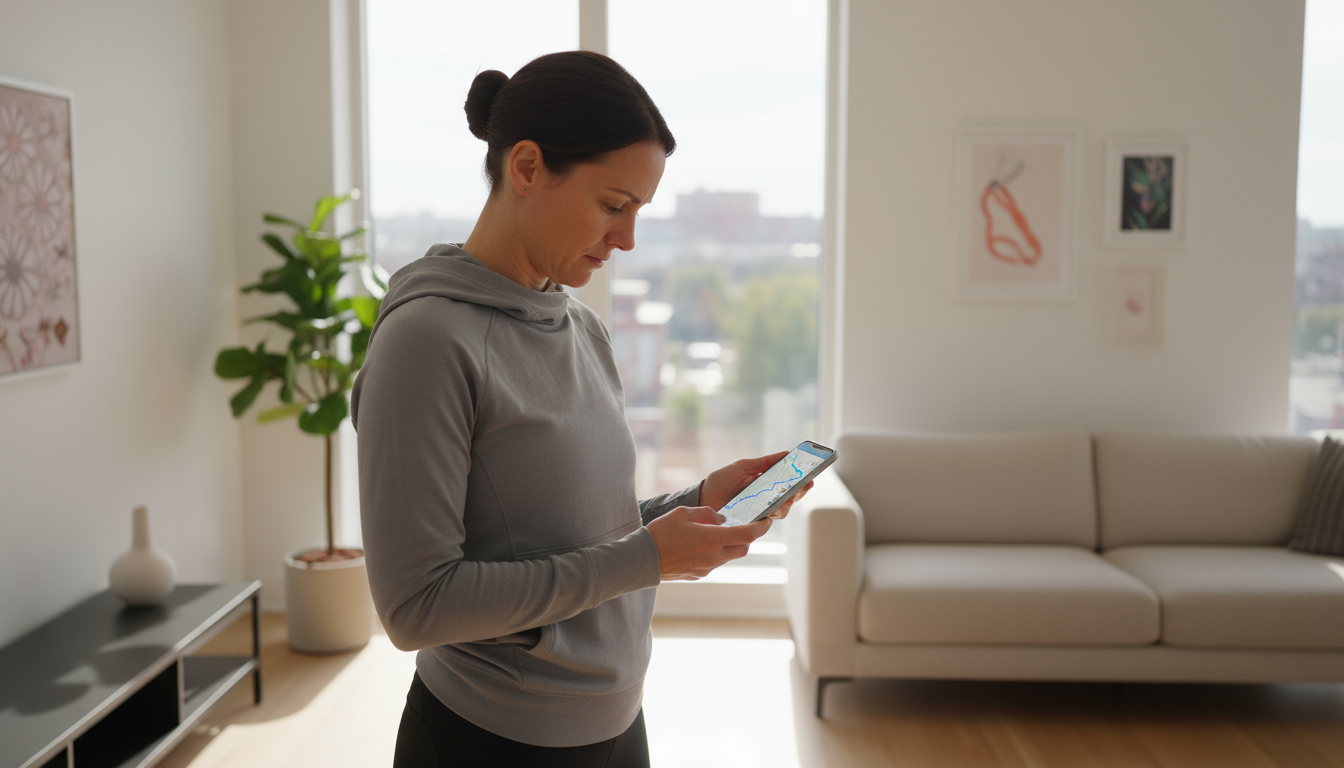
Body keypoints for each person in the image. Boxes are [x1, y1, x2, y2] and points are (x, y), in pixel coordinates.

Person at [352, 50, 813, 768]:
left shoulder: (580, 326)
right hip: (493, 739)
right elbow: (416, 607)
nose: (627, 238)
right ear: (527, 167)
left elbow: (575, 528)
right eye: (613, 205)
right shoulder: (427, 342)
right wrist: (646, 559)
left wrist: (691, 504)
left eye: (638, 211)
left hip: (617, 721)